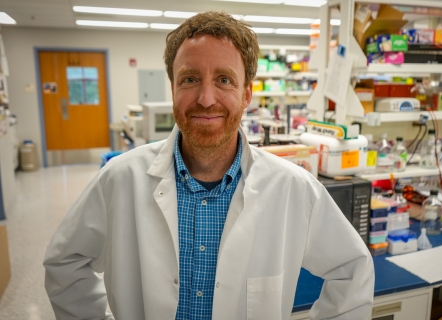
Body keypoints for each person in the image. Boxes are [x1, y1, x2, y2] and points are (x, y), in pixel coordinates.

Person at [44, 11, 374, 320]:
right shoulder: (120, 178)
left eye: (224, 80)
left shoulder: (294, 189)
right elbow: (64, 264)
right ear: (172, 88)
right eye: (189, 79)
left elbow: (353, 273)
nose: (205, 98)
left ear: (246, 94)